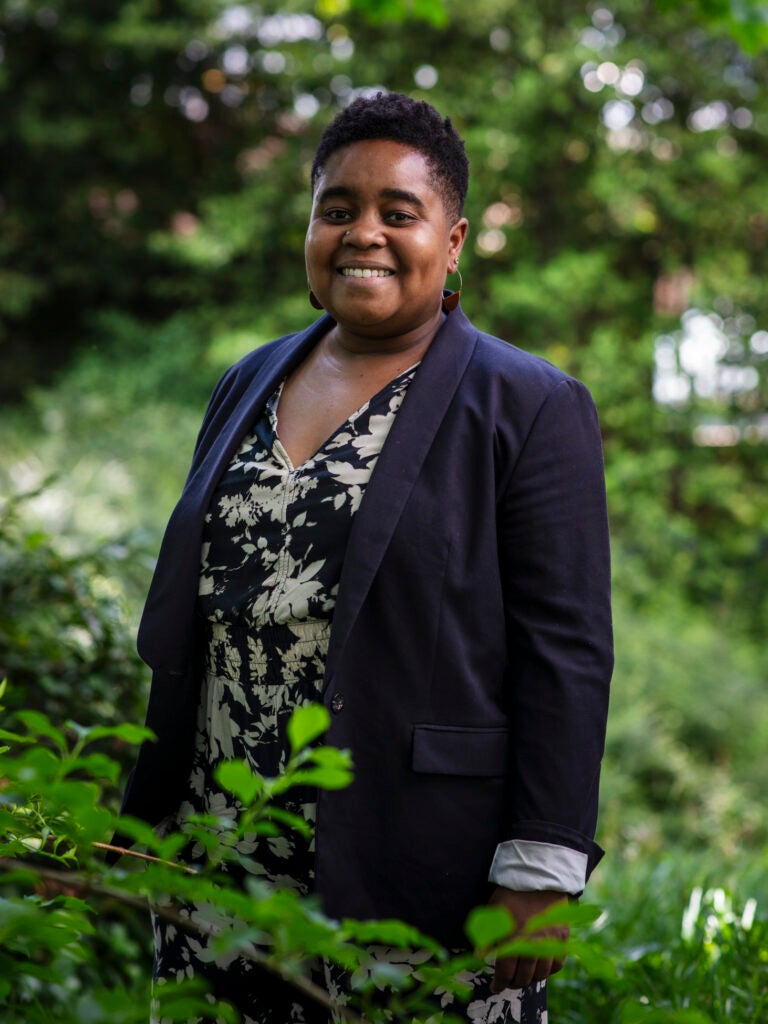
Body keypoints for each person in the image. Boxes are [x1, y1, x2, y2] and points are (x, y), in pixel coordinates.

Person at [120, 92, 613, 1023]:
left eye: (399, 212)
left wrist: (543, 867)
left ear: (454, 240)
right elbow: (198, 620)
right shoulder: (246, 380)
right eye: (337, 208)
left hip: (417, 869)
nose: (364, 234)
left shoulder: (530, 406)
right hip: (220, 864)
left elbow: (569, 653)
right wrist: (139, 816)